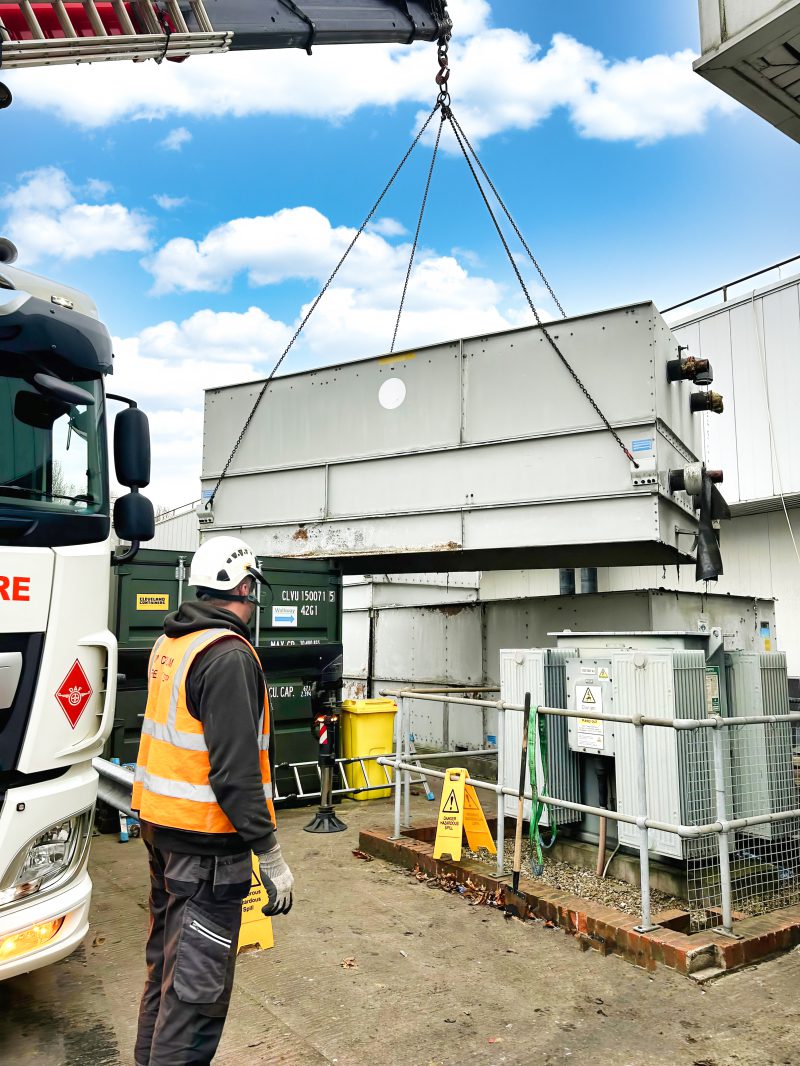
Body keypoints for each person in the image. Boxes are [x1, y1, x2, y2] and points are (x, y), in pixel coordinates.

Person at [132, 535, 294, 1066]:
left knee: (167, 975)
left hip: (164, 834)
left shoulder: (171, 643)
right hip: (205, 852)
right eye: (253, 589)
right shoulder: (227, 656)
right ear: (244, 587)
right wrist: (270, 855)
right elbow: (235, 774)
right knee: (195, 997)